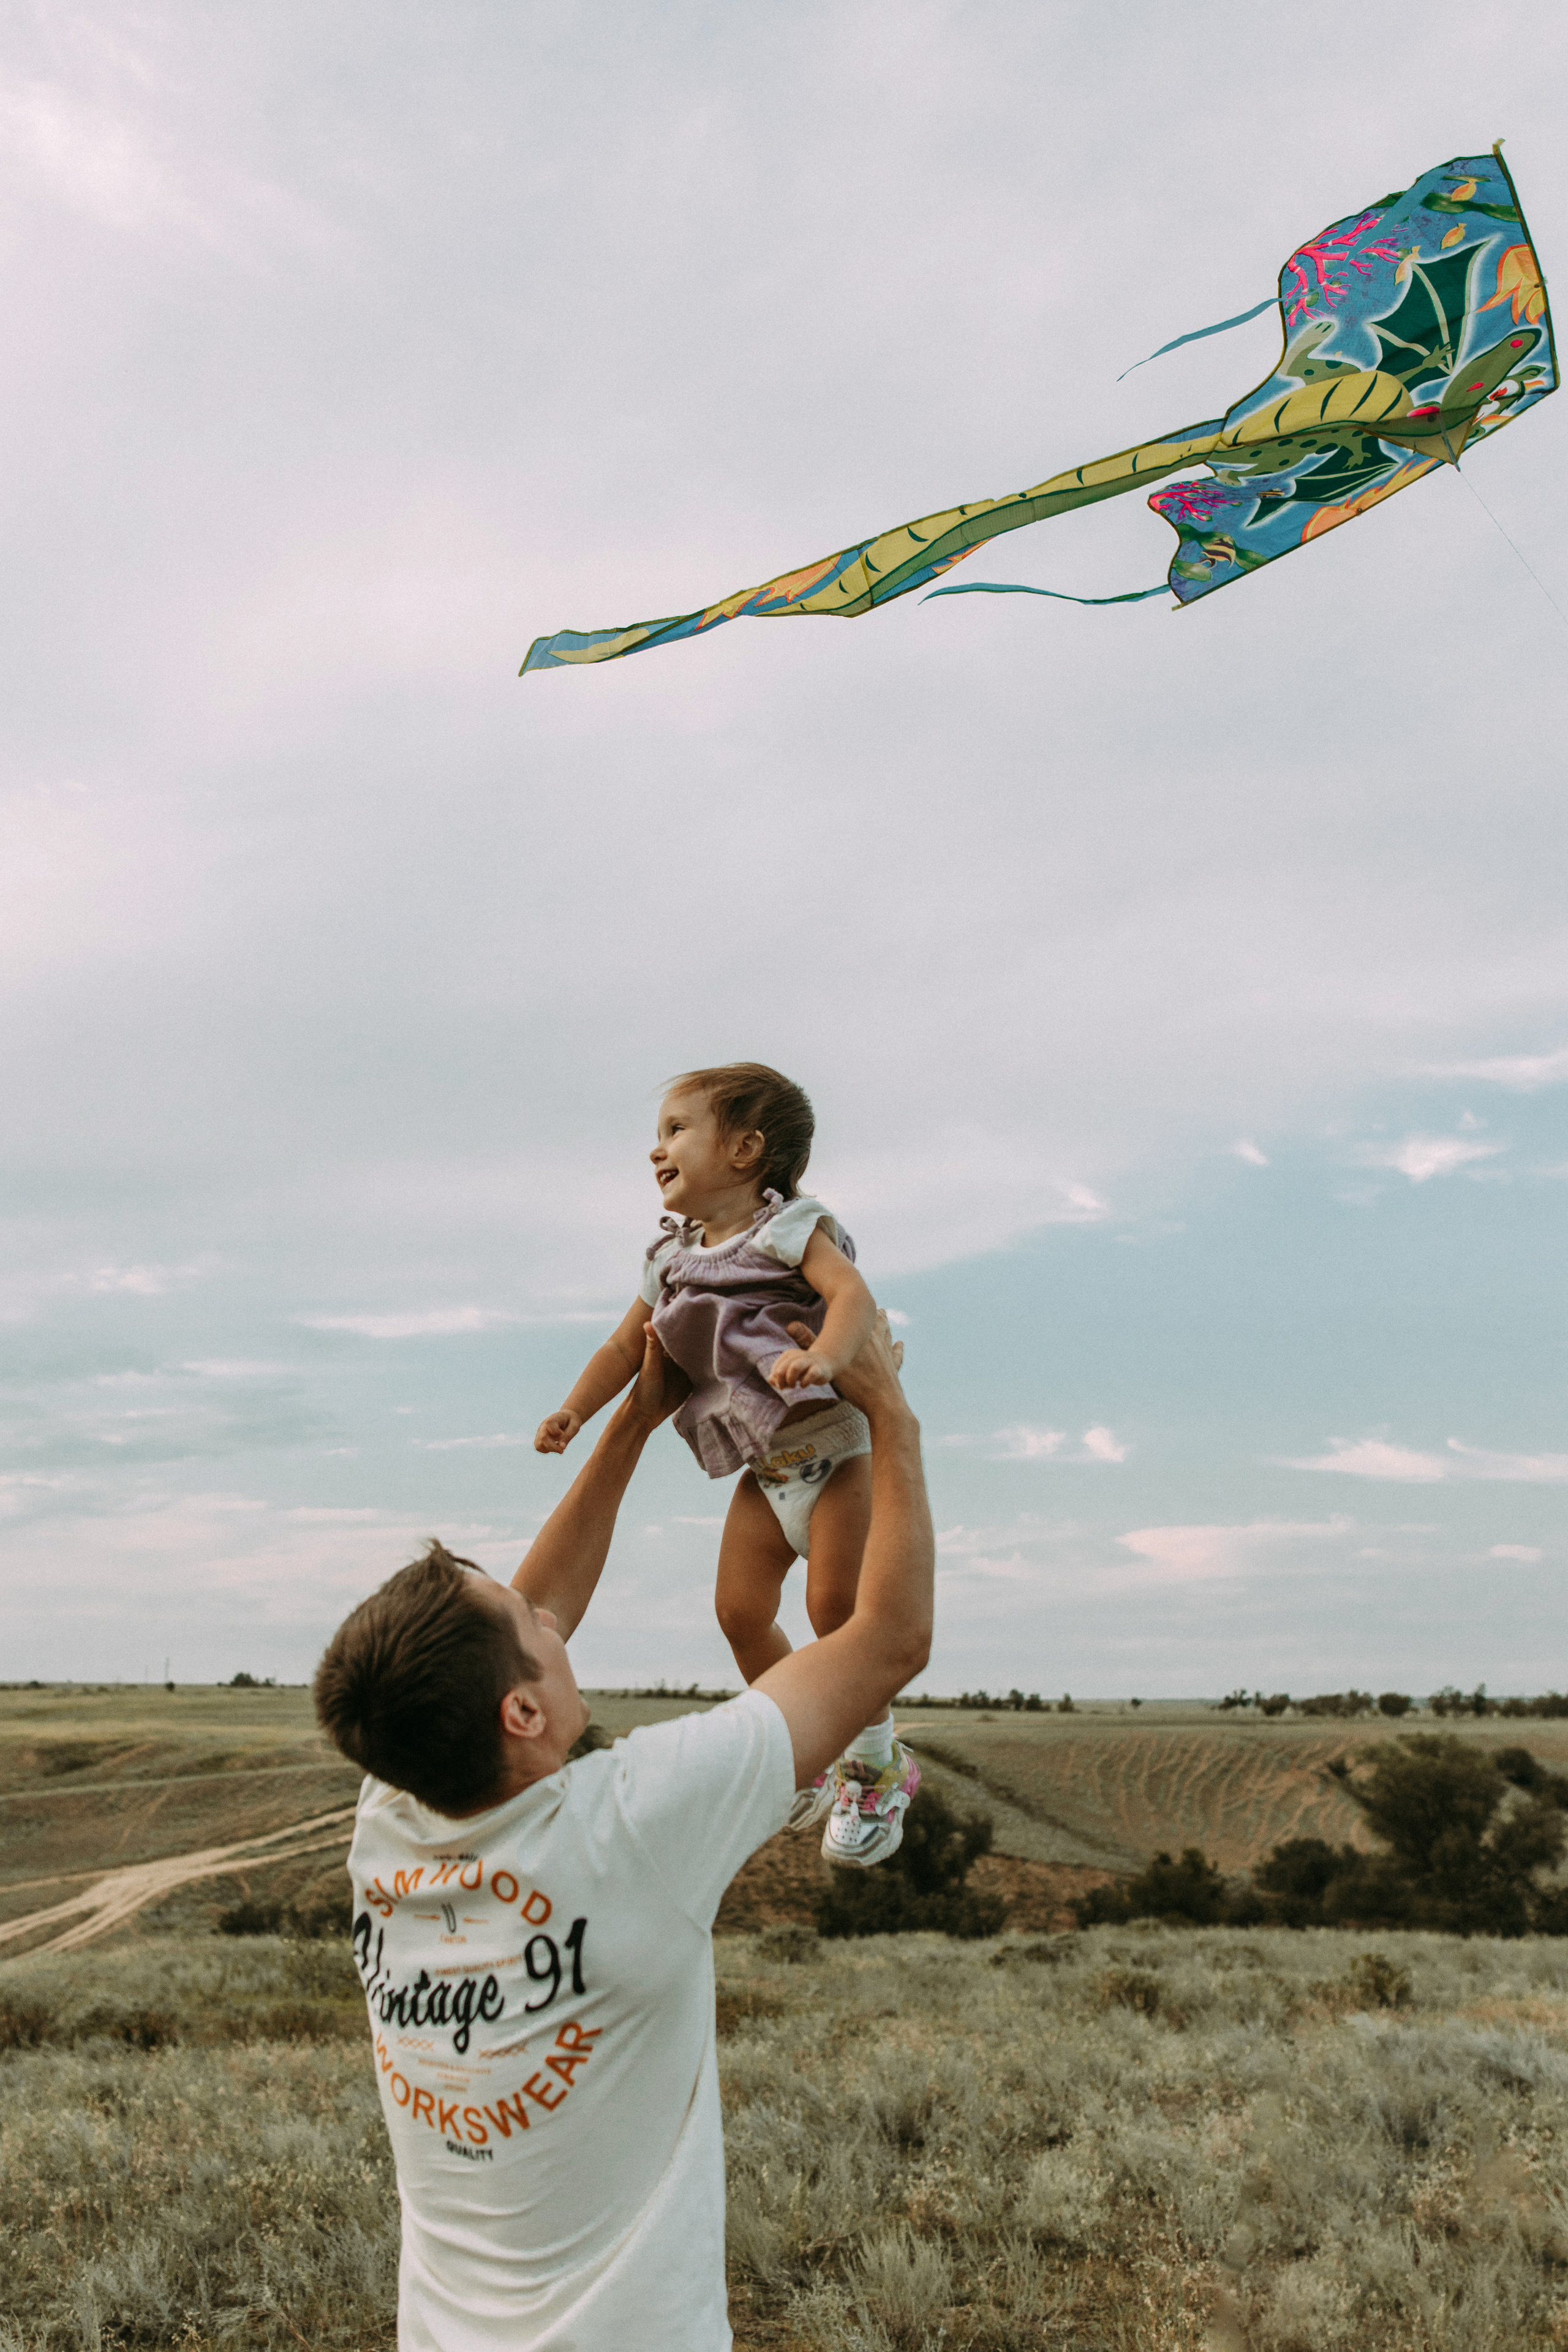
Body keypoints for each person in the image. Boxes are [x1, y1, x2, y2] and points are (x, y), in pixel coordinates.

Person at [313, 1313, 932, 2352]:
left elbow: (532, 1606)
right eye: (531, 1633)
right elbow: (888, 1640)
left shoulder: (390, 1811)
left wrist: (637, 1420)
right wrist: (893, 1424)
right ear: (519, 1714)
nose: (549, 1621)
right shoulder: (637, 1824)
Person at [534, 1062, 918, 1864]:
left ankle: (877, 1764)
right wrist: (577, 1407)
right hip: (763, 1466)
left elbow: (850, 1296)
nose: (656, 1150)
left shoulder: (788, 1228)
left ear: (746, 1150)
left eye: (677, 1130)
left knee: (836, 1610)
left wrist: (826, 1360)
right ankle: (800, 1750)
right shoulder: (669, 1258)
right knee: (740, 1613)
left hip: (836, 1445)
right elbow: (621, 1346)